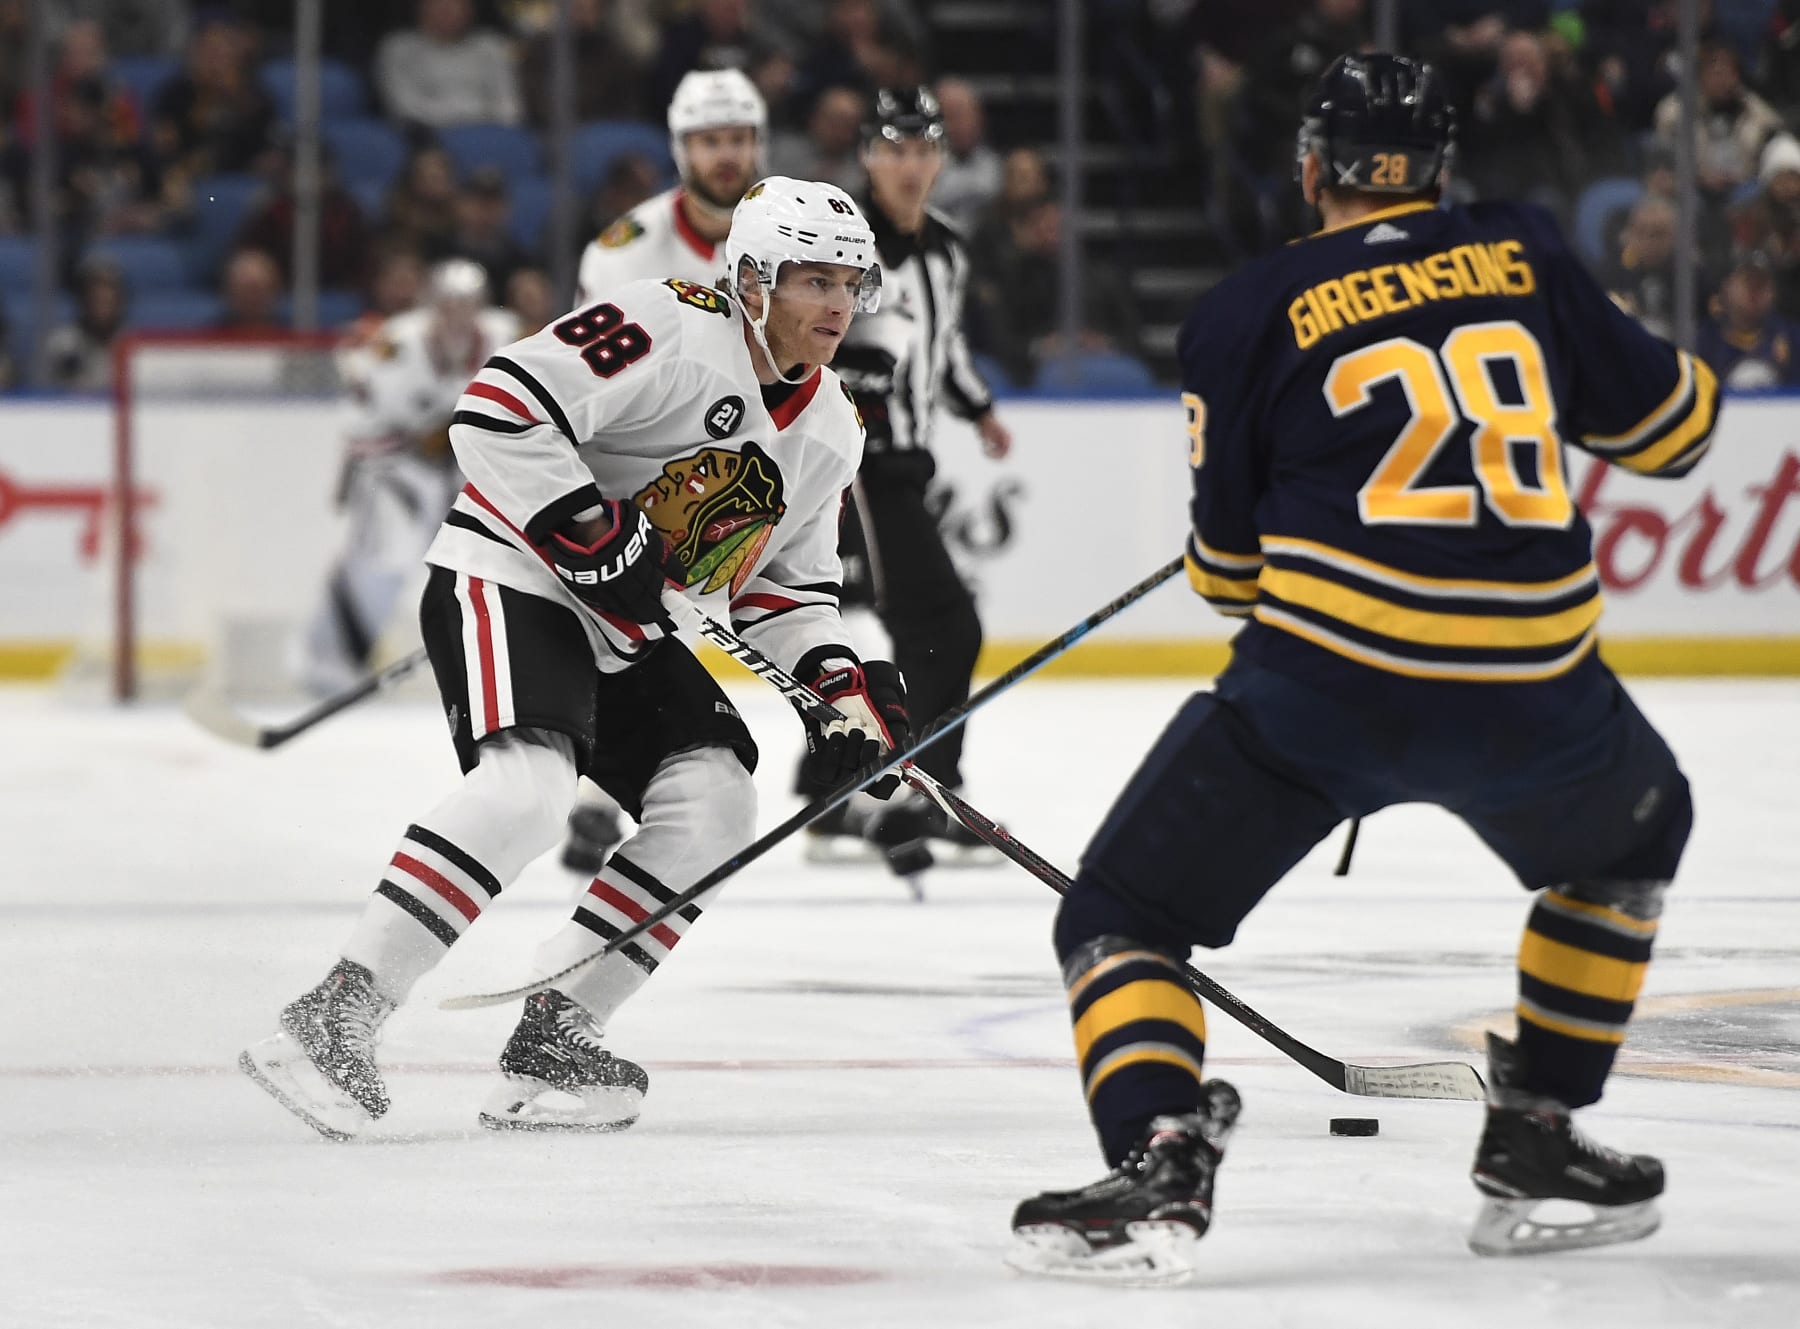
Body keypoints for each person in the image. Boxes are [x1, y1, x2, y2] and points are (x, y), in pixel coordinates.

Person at [1007, 53, 1719, 1283]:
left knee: (1122, 916)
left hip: (1330, 690)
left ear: (1308, 170)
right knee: (1633, 839)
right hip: (1536, 692)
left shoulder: (1242, 310)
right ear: (1441, 168)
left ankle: (1163, 1151)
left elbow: (1231, 580)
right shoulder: (1524, 251)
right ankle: (1539, 1131)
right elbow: (1677, 431)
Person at [240, 177, 906, 1139]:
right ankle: (332, 1014)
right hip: (512, 574)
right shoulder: (669, 327)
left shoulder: (832, 427)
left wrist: (838, 686)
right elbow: (498, 406)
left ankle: (555, 1033)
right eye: (813, 280)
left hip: (627, 626)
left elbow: (783, 592)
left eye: (851, 282)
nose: (839, 305)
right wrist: (591, 529)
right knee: (529, 793)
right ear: (751, 280)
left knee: (719, 800)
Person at [561, 67, 767, 876]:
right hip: (635, 456)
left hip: (736, 458)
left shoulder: (781, 227)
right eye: (712, 140)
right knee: (627, 616)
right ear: (682, 147)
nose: (727, 154)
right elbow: (584, 383)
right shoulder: (626, 251)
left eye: (739, 137)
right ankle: (598, 787)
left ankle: (601, 792)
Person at [804, 86, 1010, 871]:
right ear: (867, 157)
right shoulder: (841, 244)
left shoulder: (949, 248)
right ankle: (927, 789)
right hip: (855, 465)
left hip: (905, 462)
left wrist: (980, 409)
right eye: (894, 150)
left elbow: (945, 347)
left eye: (924, 150)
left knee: (890, 625)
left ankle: (839, 793)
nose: (910, 166)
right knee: (944, 625)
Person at [296, 260, 520, 697]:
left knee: (494, 564)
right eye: (448, 305)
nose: (457, 316)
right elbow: (360, 428)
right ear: (431, 305)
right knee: (383, 560)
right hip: (399, 471)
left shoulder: (509, 338)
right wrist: (420, 443)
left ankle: (505, 664)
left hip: (472, 472)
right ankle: (328, 663)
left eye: (467, 305)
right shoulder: (393, 345)